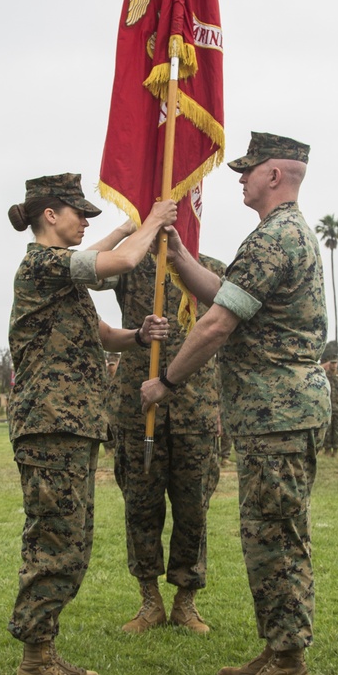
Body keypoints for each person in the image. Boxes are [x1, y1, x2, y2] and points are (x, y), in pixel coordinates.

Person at [141, 132, 330, 675]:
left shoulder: (275, 236)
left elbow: (218, 323)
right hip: (274, 412)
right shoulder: (285, 233)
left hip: (277, 412)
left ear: (275, 175)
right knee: (268, 532)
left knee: (276, 535)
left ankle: (290, 660)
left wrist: (166, 381)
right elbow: (230, 295)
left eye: (248, 171)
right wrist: (179, 260)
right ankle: (277, 647)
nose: (241, 179)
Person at [6, 172, 177, 675]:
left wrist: (136, 335)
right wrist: (150, 223)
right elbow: (120, 262)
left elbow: (100, 332)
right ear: (50, 214)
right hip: (50, 424)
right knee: (55, 539)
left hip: (72, 426)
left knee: (72, 540)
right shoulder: (42, 264)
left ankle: (47, 653)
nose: (85, 222)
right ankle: (35, 663)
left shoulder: (65, 276)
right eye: (78, 212)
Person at [110, 251, 225, 635]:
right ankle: (149, 601)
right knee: (141, 507)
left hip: (197, 407)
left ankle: (185, 602)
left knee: (194, 509)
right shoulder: (128, 266)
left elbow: (226, 334)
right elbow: (89, 271)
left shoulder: (213, 272)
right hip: (139, 406)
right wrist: (130, 230)